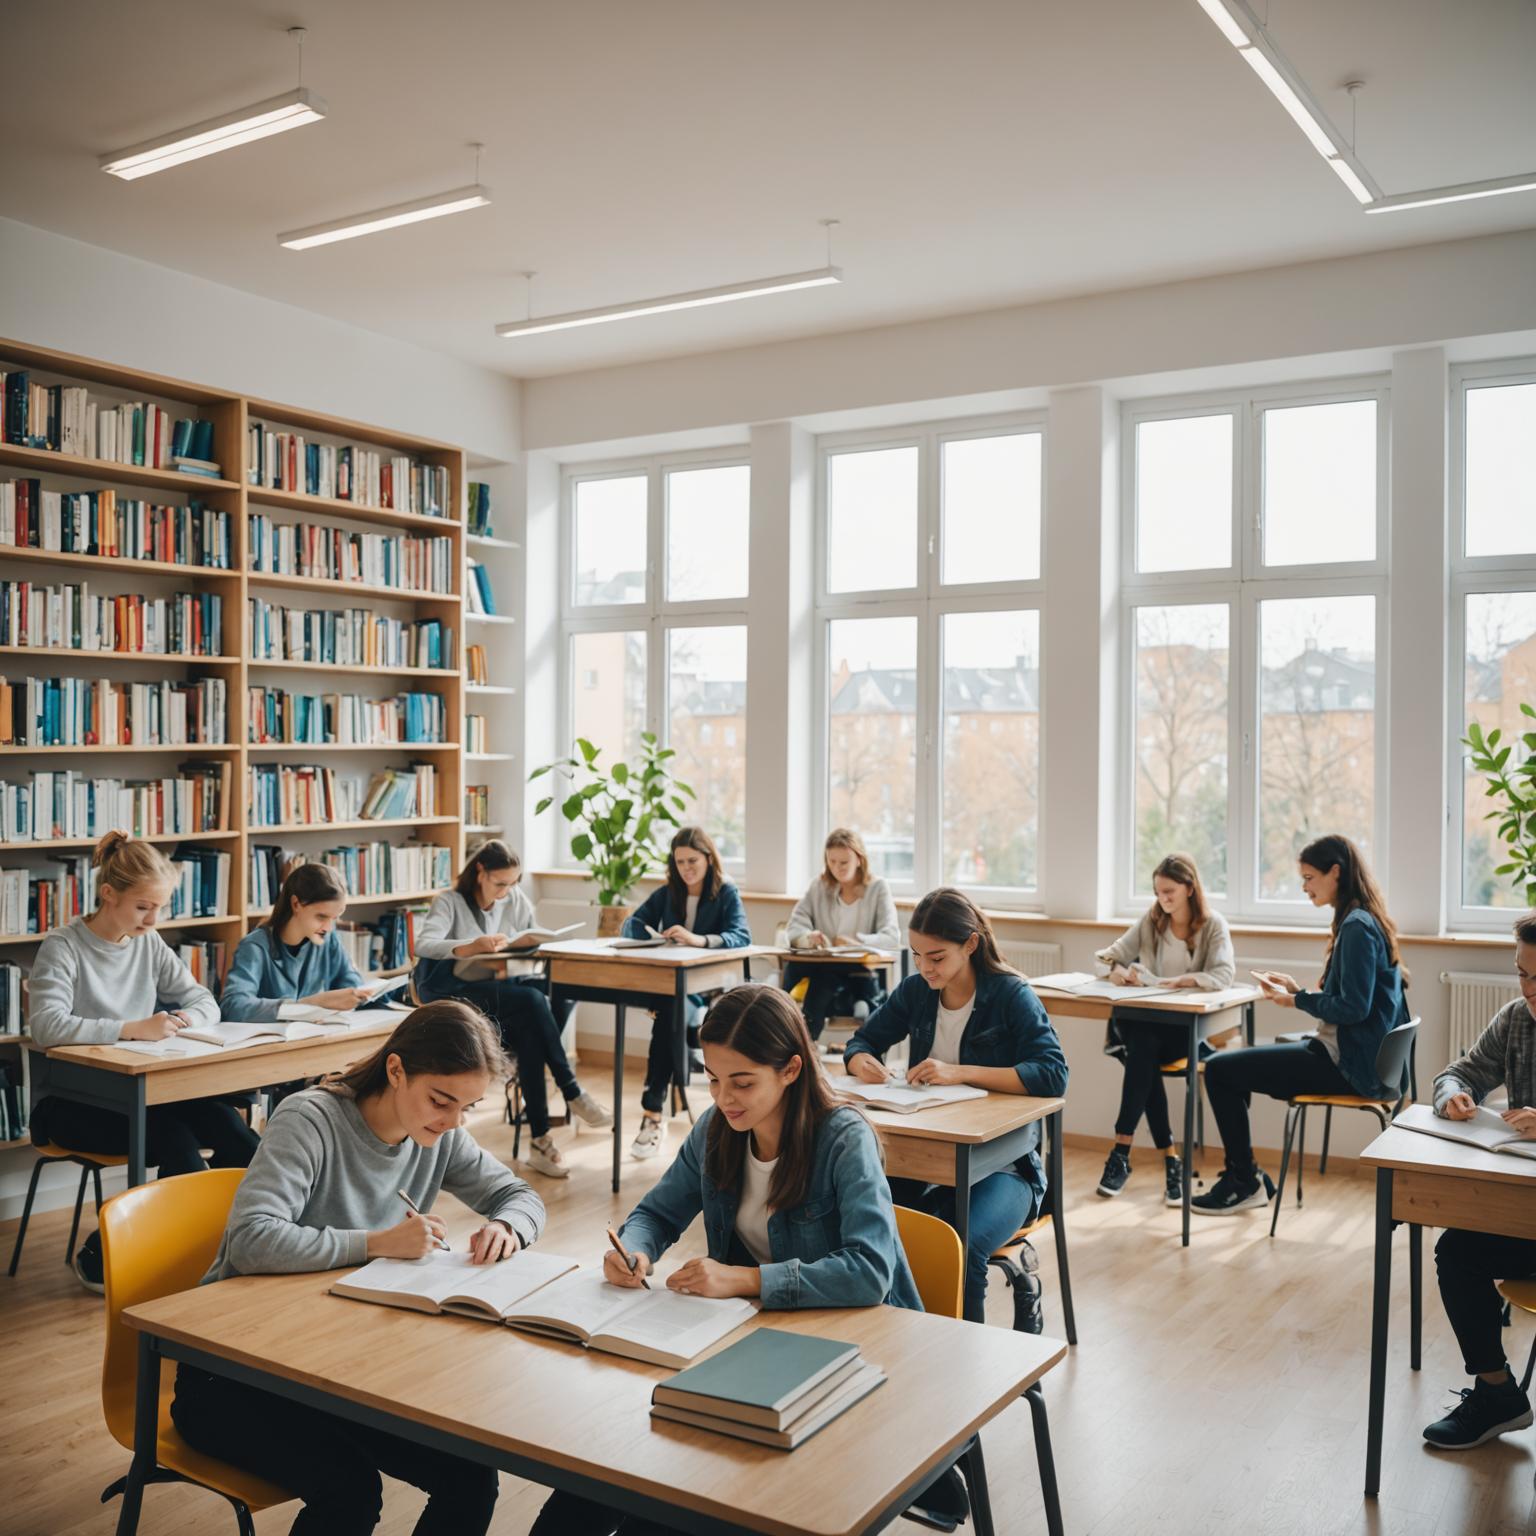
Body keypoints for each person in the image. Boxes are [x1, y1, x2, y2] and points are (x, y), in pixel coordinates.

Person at [529, 984, 926, 1536]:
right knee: (593, 1478)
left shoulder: (842, 1138)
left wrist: (743, 1278)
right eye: (713, 1079)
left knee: (662, 1501)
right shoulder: (716, 1130)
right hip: (751, 1342)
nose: (724, 1097)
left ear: (790, 1070)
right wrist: (635, 1248)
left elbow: (869, 1273)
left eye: (742, 1082)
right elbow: (656, 1214)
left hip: (849, 1349)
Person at [173, 1001, 546, 1536]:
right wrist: (377, 1243)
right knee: (348, 1489)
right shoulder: (309, 1118)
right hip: (230, 1375)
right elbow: (252, 1239)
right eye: (442, 1101)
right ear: (396, 1071)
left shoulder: (440, 1134)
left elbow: (519, 1195)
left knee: (469, 1475)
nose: (452, 1121)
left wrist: (509, 1227)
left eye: (469, 1106)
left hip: (334, 1371)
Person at [27, 830, 258, 1293]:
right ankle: (104, 1255)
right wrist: (129, 1027)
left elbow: (203, 999)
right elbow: (46, 1026)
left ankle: (220, 1245)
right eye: (142, 907)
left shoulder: (148, 945)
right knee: (178, 1142)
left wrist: (184, 1016)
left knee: (235, 1134)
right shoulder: (64, 946)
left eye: (159, 908)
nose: (153, 920)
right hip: (71, 1105)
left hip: (141, 1095)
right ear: (108, 894)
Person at [845, 886, 1069, 1324]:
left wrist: (959, 1071)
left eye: (937, 957)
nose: (926, 968)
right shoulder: (915, 992)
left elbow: (1052, 1073)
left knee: (960, 1242)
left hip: (1007, 1167)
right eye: (917, 956)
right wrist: (860, 1061)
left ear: (970, 944)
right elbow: (864, 1039)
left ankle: (965, 1374)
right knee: (871, 1223)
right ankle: (902, 1341)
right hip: (927, 1154)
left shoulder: (1010, 995)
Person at [1192, 833, 1408, 1216]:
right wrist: (1300, 991)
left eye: (1309, 877)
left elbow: (1354, 1008)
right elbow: (1353, 1001)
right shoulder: (1364, 920)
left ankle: (1244, 1180)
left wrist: (1296, 999)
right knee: (1232, 1068)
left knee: (1221, 1070)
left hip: (1348, 1067)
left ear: (1335, 873)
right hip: (1361, 1061)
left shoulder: (1356, 928)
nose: (1304, 886)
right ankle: (1246, 1176)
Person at [413, 839, 610, 1179]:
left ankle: (540, 1140)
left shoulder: (514, 898)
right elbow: (424, 943)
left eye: (513, 883)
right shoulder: (451, 902)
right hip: (451, 988)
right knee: (534, 1004)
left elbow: (529, 940)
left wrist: (527, 948)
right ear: (480, 873)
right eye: (500, 883)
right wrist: (469, 946)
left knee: (552, 1006)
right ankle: (571, 1091)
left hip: (496, 986)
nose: (506, 892)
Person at [1420, 911, 1536, 1450]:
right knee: (1457, 1251)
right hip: (1527, 1211)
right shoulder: (1517, 1020)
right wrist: (1453, 1096)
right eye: (1523, 973)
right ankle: (1497, 1393)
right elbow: (1458, 1071)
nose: (1530, 989)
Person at [1092, 852, 1235, 1205]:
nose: (1163, 899)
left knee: (1142, 1053)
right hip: (1146, 1025)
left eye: (1169, 891)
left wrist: (1180, 981)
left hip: (1185, 1031)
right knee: (1142, 1048)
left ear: (1189, 888)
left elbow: (1223, 975)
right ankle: (1168, 1162)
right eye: (1158, 892)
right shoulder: (1152, 920)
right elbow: (1108, 956)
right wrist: (1115, 971)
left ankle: (1124, 1155)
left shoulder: (1213, 924)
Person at [623, 826, 751, 1161]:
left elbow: (742, 936)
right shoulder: (669, 892)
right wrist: (654, 936)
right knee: (669, 1010)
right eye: (679, 861)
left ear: (708, 858)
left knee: (668, 1015)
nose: (686, 868)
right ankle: (675, 1102)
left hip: (708, 989)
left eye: (692, 860)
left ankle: (653, 1113)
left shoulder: (726, 891)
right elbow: (631, 924)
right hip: (672, 988)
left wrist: (699, 940)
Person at [221, 862, 382, 1022]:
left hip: (318, 1039)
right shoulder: (255, 946)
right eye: (321, 917)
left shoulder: (329, 939)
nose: (328, 927)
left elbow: (353, 986)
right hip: (271, 1044)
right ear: (296, 904)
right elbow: (233, 1006)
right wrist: (308, 1005)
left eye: (335, 918)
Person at [782, 827, 901, 1040]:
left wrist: (857, 941)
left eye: (844, 862)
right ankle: (780, 1021)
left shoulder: (878, 887)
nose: (837, 868)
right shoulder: (819, 886)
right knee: (796, 970)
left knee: (823, 979)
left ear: (859, 859)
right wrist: (809, 938)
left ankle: (808, 1039)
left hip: (859, 967)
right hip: (823, 962)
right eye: (831, 861)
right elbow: (794, 927)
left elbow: (892, 937)